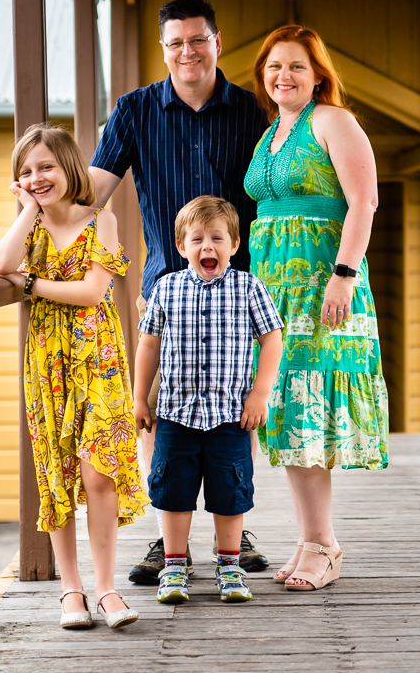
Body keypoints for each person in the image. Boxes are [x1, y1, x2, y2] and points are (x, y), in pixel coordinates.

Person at [87, 0, 272, 583]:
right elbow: (91, 190)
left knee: (231, 413)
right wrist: (32, 215)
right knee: (162, 414)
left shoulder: (251, 111)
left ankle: (231, 531)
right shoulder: (135, 111)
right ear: (163, 49)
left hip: (239, 289)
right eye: (175, 43)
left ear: (218, 42)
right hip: (166, 287)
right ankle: (166, 542)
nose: (186, 52)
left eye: (197, 40)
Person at [0, 124, 148, 629]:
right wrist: (29, 210)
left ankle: (106, 588)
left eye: (46, 167)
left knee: (99, 471)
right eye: (26, 172)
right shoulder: (30, 227)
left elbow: (92, 292)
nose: (37, 177)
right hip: (48, 361)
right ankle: (70, 591)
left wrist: (30, 283)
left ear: (69, 167)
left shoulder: (103, 220)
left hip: (97, 356)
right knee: (57, 469)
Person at [244, 25, 389, 591]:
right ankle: (311, 540)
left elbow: (365, 201)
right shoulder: (272, 134)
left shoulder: (333, 121)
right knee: (284, 410)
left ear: (318, 74)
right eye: (274, 66)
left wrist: (344, 276)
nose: (284, 75)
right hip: (273, 288)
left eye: (296, 67)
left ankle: (323, 544)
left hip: (322, 286)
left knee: (305, 409)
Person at [133, 196, 283, 603]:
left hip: (230, 416)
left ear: (234, 244)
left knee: (229, 494)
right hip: (176, 416)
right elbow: (148, 345)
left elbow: (272, 338)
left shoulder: (249, 288)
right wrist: (139, 399)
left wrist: (260, 393)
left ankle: (229, 564)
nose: (207, 247)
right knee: (172, 493)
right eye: (196, 239)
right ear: (181, 247)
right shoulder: (166, 288)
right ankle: (176, 564)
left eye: (217, 238)